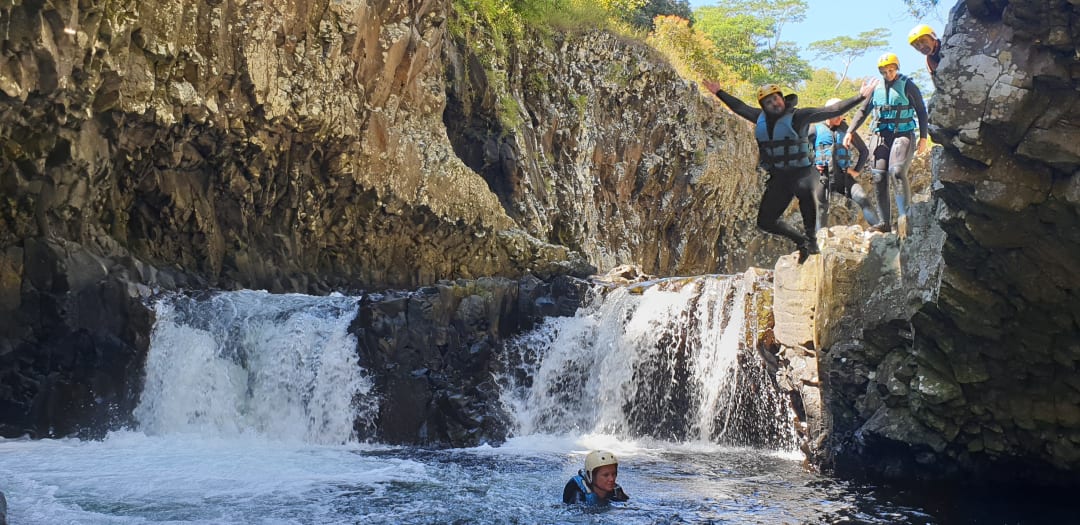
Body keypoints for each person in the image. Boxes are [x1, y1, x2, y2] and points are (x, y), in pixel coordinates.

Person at [702, 78, 878, 262]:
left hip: (803, 172)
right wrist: (719, 92)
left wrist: (860, 97)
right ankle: (801, 241)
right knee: (765, 222)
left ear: (782, 98)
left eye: (776, 98)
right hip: (780, 177)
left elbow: (832, 110)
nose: (774, 103)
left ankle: (812, 240)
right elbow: (739, 107)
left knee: (805, 188)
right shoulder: (760, 117)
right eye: (768, 102)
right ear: (764, 107)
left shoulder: (798, 116)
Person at [845, 53, 929, 238]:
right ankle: (884, 223)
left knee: (897, 171)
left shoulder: (908, 85)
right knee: (878, 176)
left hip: (903, 133)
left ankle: (904, 218)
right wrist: (850, 131)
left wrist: (923, 137)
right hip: (881, 135)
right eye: (884, 71)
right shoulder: (876, 88)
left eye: (891, 70)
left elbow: (922, 111)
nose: (888, 74)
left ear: (896, 68)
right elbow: (862, 111)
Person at [808, 99, 881, 230]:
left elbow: (864, 151)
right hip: (823, 177)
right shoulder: (815, 129)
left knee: (863, 198)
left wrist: (856, 171)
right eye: (837, 114)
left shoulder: (847, 130)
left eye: (842, 115)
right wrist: (812, 164)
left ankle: (880, 230)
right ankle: (819, 240)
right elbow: (800, 148)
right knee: (821, 209)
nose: (840, 118)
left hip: (844, 176)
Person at [562, 450, 629, 505]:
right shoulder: (578, 493)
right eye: (606, 475)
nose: (612, 479)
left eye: (614, 474)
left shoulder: (616, 491)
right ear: (590, 475)